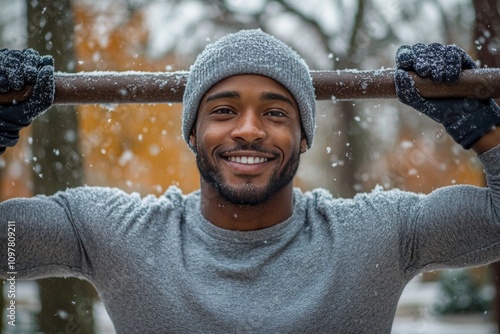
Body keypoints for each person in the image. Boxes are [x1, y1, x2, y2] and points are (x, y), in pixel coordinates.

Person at [1, 29, 500, 333]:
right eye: (222, 111)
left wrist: (484, 131)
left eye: (276, 113)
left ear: (304, 136)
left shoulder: (377, 235)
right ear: (192, 135)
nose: (248, 129)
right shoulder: (114, 233)